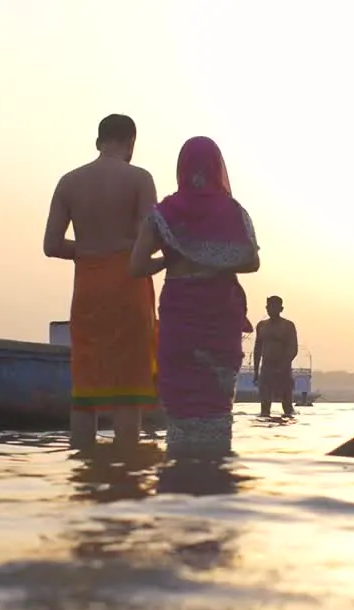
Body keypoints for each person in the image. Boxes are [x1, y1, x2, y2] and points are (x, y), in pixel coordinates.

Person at [129, 135, 259, 457]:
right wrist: (214, 257)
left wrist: (172, 258)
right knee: (216, 406)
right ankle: (216, 483)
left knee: (182, 403)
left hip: (181, 313)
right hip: (218, 314)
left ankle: (179, 484)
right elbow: (252, 261)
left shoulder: (165, 213)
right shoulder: (233, 212)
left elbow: (136, 266)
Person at [46, 114, 159, 449]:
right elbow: (149, 239)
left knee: (85, 393)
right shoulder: (139, 179)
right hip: (130, 287)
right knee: (128, 393)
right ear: (130, 144)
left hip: (88, 291)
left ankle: (83, 475)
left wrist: (91, 249)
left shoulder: (69, 182)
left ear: (98, 142)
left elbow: (51, 245)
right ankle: (126, 474)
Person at [254, 296, 298, 418]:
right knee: (265, 406)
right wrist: (256, 372)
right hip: (266, 368)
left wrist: (282, 367)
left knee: (287, 406)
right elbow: (257, 349)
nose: (271, 309)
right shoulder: (261, 325)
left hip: (283, 369)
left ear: (281, 309)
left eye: (274, 307)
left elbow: (293, 349)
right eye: (269, 307)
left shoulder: (288, 326)